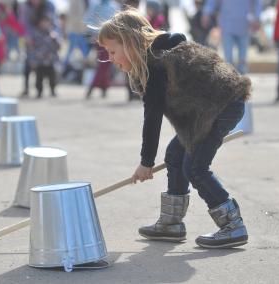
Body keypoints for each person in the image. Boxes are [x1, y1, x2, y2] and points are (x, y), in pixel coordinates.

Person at [98, 9, 251, 248]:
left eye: (113, 51)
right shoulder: (157, 58)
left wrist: (146, 162)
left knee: (195, 167)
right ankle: (171, 223)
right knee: (175, 155)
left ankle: (232, 224)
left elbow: (153, 116)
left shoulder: (156, 63)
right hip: (202, 113)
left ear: (129, 42)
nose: (110, 58)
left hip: (222, 107)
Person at [202, 0, 262, 74]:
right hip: (227, 26)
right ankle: (230, 83)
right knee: (229, 61)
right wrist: (206, 14)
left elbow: (257, 3)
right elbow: (211, 2)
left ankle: (242, 83)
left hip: (244, 26)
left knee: (242, 62)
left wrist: (257, 18)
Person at [28, 15, 60, 98]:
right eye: (43, 22)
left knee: (52, 77)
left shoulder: (53, 34)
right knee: (39, 78)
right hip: (39, 60)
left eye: (46, 22)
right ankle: (39, 91)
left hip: (50, 60)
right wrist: (33, 58)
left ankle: (53, 90)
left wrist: (55, 39)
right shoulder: (35, 34)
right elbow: (32, 47)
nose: (45, 24)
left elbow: (58, 47)